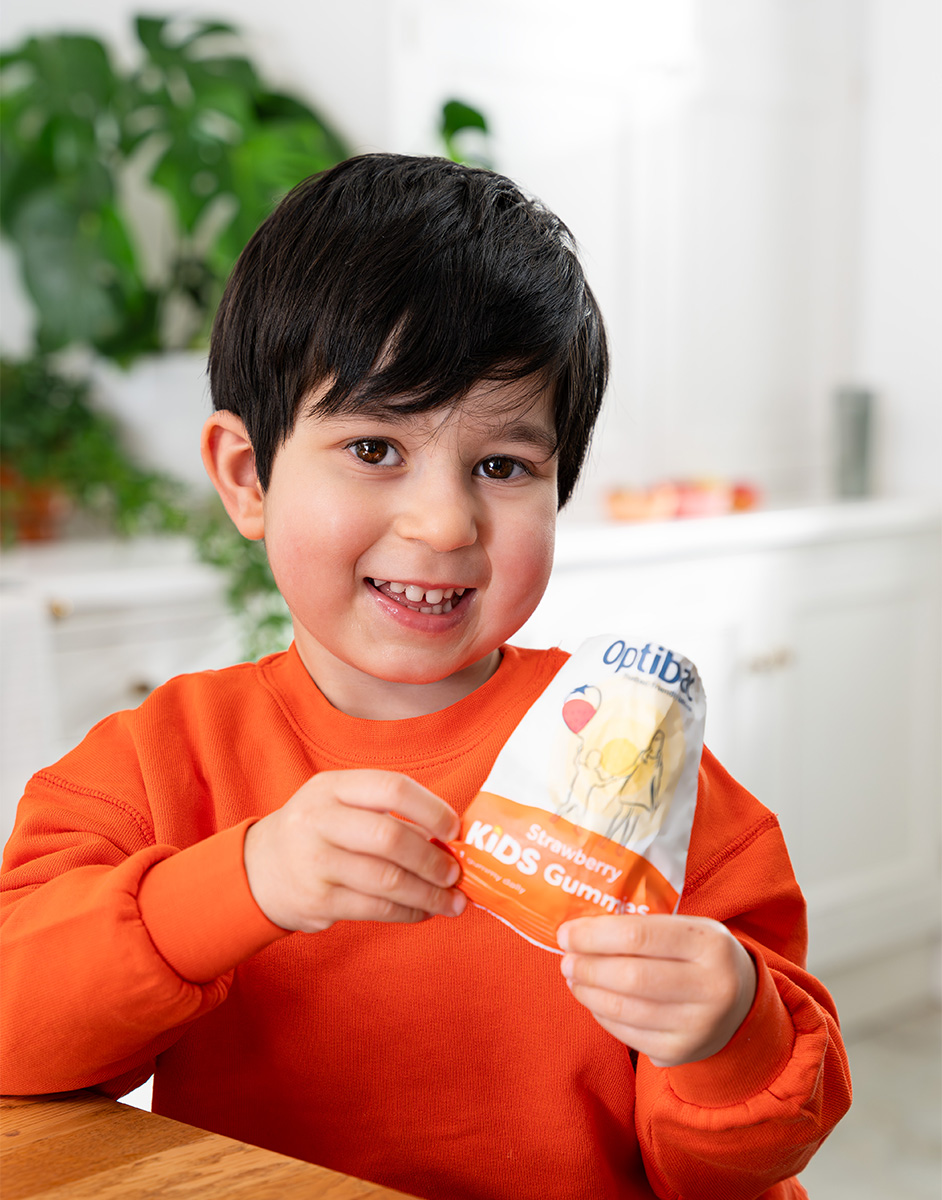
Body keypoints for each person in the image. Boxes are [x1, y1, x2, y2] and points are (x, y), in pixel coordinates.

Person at [0, 155, 850, 1200]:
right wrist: (243, 881)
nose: (444, 523)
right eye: (372, 446)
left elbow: (746, 1157)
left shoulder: (645, 768)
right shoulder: (153, 765)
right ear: (245, 475)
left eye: (502, 466)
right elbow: (16, 1037)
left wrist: (728, 1030)